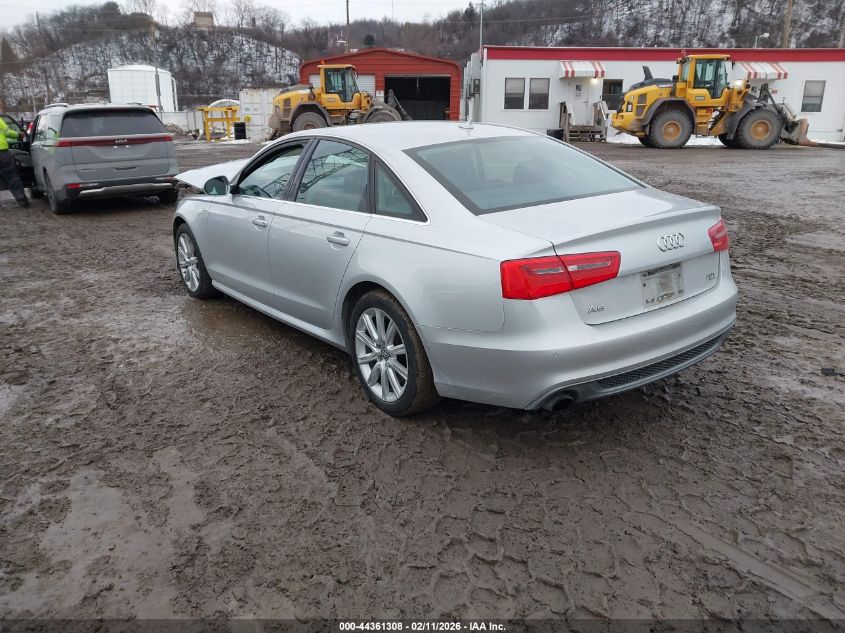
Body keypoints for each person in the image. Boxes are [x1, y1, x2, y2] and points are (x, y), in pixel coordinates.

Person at [0, 115, 30, 207]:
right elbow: (7, 132)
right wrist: (18, 135)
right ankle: (21, 199)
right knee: (12, 176)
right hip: (2, 152)